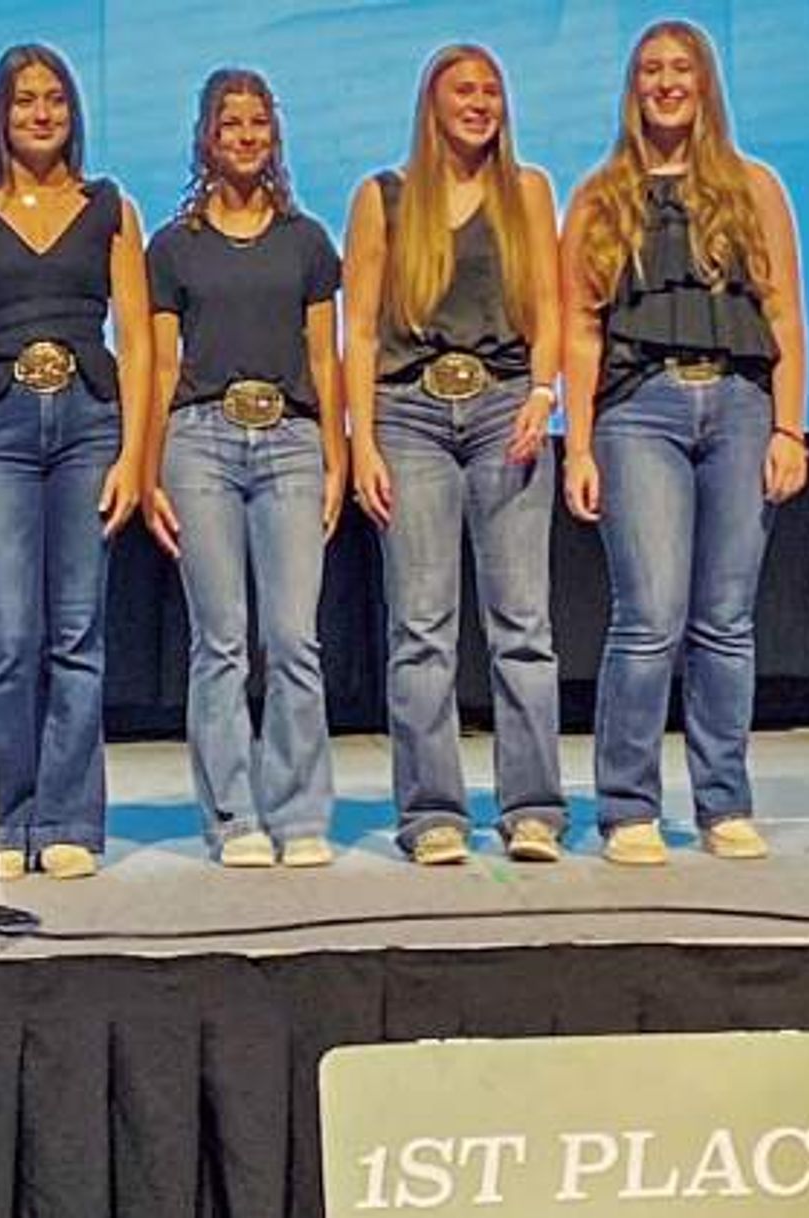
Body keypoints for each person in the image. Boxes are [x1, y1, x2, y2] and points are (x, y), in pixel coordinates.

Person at [561, 19, 808, 865]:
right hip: (640, 414)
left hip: (739, 405)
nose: (667, 83)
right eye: (651, 71)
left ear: (705, 84)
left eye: (682, 70)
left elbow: (782, 315)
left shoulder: (753, 186)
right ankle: (628, 808)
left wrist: (788, 427)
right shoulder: (601, 194)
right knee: (649, 617)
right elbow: (580, 328)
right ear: (634, 88)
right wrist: (580, 446)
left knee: (726, 622)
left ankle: (722, 802)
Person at [0, 44, 150, 880]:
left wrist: (135, 454)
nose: (42, 114)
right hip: (0, 430)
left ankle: (68, 822)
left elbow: (136, 339)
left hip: (91, 425)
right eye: (25, 101)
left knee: (77, 633)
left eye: (55, 99)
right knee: (10, 637)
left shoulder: (109, 207)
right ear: (0, 113)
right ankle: (0, 820)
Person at [344, 44, 566, 865]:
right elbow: (360, 329)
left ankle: (534, 807)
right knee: (422, 627)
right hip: (410, 420)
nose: (479, 103)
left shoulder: (528, 192)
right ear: (431, 104)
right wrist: (360, 438)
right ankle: (432, 812)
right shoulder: (384, 198)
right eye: (463, 90)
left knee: (522, 624)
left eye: (491, 91)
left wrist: (545, 396)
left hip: (508, 408)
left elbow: (549, 306)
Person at [144, 69, 346, 868]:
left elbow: (326, 362)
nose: (246, 137)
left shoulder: (307, 241)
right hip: (200, 442)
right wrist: (150, 466)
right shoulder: (173, 247)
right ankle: (234, 819)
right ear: (206, 136)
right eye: (231, 124)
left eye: (259, 123)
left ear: (275, 134)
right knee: (220, 640)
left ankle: (298, 816)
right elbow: (161, 366)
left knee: (294, 637)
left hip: (293, 441)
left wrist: (339, 456)